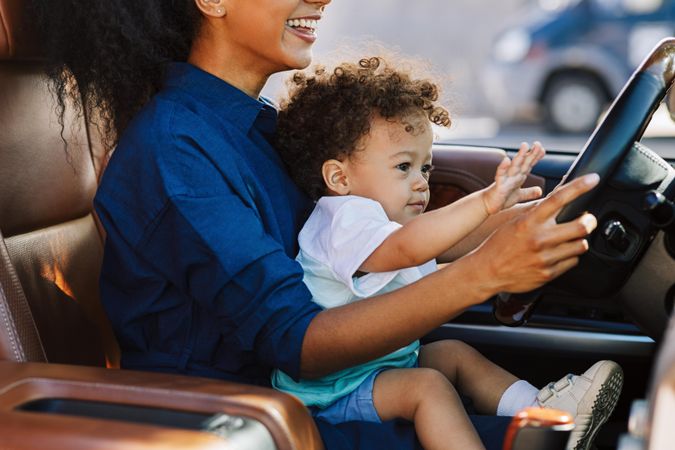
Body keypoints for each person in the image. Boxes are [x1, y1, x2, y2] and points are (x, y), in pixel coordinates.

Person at [32, 0, 605, 449]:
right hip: (252, 418)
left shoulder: (256, 128)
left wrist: (529, 217)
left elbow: (373, 243)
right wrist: (482, 274)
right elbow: (297, 342)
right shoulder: (175, 150)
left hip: (318, 390)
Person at [270, 57, 623, 450]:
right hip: (330, 393)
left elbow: (439, 241)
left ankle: (546, 413)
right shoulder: (344, 219)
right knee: (428, 387)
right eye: (404, 167)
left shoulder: (381, 221)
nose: (422, 183)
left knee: (454, 354)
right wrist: (486, 202)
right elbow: (409, 247)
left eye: (426, 167)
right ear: (339, 177)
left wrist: (541, 210)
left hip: (372, 368)